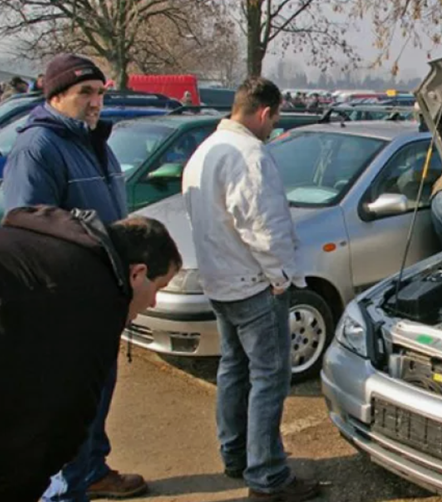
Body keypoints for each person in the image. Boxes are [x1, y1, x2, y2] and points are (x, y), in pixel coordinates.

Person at [2, 53, 146, 501]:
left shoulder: (92, 141)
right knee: (70, 407)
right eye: (85, 92)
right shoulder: (39, 147)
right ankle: (67, 489)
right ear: (56, 95)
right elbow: (28, 225)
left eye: (100, 92)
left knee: (96, 396)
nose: (95, 101)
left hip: (103, 294)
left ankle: (92, 470)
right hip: (67, 302)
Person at [0, 207, 181, 502]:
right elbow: (45, 426)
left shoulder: (51, 253)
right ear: (138, 273)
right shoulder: (87, 299)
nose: (154, 303)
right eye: (159, 288)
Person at [182, 77, 319, 502]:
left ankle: (237, 455)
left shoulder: (204, 152)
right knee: (269, 378)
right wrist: (281, 279)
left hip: (221, 282)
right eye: (274, 120)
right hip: (254, 285)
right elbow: (266, 228)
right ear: (264, 113)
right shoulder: (250, 156)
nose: (273, 129)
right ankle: (268, 476)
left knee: (234, 369)